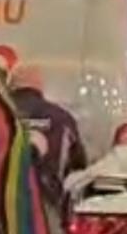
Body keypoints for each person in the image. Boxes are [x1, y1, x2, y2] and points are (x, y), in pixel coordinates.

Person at [7, 64, 88, 208]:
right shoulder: (63, 119)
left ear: (10, 85)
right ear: (40, 86)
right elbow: (78, 168)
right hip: (46, 207)